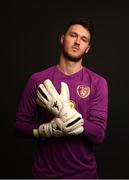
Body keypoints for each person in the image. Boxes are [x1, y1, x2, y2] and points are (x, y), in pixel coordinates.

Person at [15, 17, 108, 179]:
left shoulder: (98, 82)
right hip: (44, 174)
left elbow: (98, 134)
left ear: (87, 48)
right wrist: (43, 131)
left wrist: (70, 116)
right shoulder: (38, 80)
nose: (78, 42)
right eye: (73, 35)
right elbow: (20, 125)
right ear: (62, 38)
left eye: (84, 39)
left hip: (84, 175)